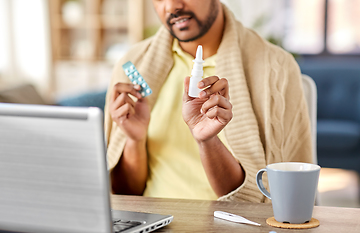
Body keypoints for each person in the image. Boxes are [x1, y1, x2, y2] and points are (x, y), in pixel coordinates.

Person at [104, 0, 313, 202]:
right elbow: (125, 193)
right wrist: (135, 140)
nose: (171, 6)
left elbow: (268, 198)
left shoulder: (276, 68)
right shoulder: (132, 65)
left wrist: (208, 141)